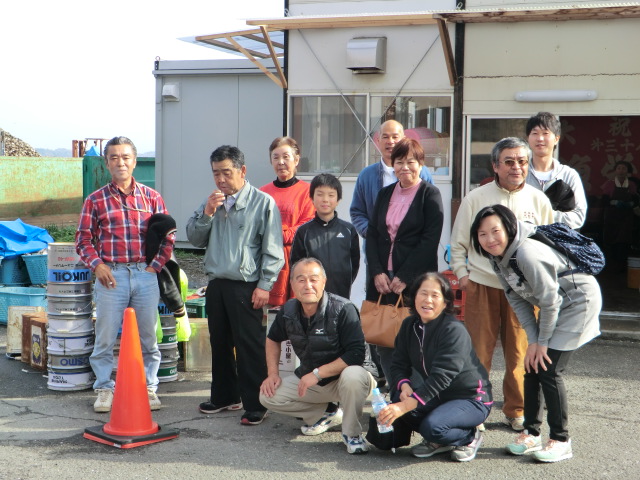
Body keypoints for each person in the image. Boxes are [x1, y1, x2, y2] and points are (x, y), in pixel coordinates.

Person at [471, 204, 601, 463]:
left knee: (549, 369)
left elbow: (551, 302)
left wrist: (542, 343)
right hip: (556, 305)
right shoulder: (498, 258)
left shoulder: (527, 253)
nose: (489, 239)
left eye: (495, 231)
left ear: (509, 228)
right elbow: (518, 300)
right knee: (531, 365)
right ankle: (531, 433)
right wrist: (533, 342)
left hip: (577, 303)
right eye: (482, 234)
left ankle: (561, 440)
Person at [449, 137, 554, 431]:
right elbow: (458, 244)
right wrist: (464, 276)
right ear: (495, 166)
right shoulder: (475, 198)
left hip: (525, 289)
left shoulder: (539, 200)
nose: (516, 167)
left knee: (520, 351)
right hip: (482, 284)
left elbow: (550, 247)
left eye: (522, 161)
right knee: (478, 351)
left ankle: (516, 408)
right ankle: (476, 406)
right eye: (509, 161)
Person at [186, 145, 284, 426]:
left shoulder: (262, 202)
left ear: (242, 171)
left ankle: (257, 402)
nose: (220, 180)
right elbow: (194, 239)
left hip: (247, 286)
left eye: (226, 173)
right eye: (216, 173)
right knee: (219, 343)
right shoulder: (212, 203)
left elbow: (273, 249)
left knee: (249, 346)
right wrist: (207, 212)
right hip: (216, 284)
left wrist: (264, 285)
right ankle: (225, 396)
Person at [76, 136, 173, 413]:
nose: (121, 162)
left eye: (126, 157)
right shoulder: (95, 200)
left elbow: (168, 236)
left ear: (134, 161)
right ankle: (105, 388)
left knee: (148, 337)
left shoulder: (152, 197)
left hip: (144, 274)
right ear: (107, 163)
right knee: (105, 336)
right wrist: (98, 265)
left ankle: (149, 387)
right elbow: (83, 240)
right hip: (112, 276)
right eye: (114, 157)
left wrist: (154, 266)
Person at [259, 258, 375, 454]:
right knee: (268, 396)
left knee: (353, 375)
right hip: (314, 381)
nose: (308, 285)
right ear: (292, 283)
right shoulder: (288, 311)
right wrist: (272, 374)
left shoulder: (343, 309)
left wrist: (318, 373)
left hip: (350, 380)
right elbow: (272, 339)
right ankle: (328, 413)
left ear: (324, 281)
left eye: (314, 279)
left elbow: (356, 354)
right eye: (301, 280)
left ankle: (352, 434)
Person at [378, 272, 492, 462]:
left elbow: (442, 377)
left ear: (446, 302)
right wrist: (404, 386)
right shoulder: (409, 325)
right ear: (413, 297)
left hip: (471, 398)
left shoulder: (453, 330)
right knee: (399, 398)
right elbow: (398, 363)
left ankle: (469, 437)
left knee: (431, 427)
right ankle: (441, 439)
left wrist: (405, 406)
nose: (428, 300)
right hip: (439, 396)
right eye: (423, 293)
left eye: (435, 295)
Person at [365, 137, 444, 384]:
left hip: (415, 281)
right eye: (399, 162)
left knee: (416, 338)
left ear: (421, 164)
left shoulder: (430, 194)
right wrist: (377, 272)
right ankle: (396, 389)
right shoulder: (384, 193)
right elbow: (373, 234)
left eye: (411, 161)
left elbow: (429, 241)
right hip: (382, 281)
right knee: (385, 340)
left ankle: (418, 396)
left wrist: (405, 276)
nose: (404, 167)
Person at [350, 119, 433, 239]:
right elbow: (357, 212)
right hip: (377, 250)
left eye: (395, 137)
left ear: (404, 139)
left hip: (412, 248)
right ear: (378, 141)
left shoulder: (421, 172)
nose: (390, 141)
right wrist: (371, 233)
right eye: (385, 137)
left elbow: (431, 212)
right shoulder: (366, 175)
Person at [260, 137, 315, 306]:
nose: (281, 162)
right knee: (270, 314)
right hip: (268, 261)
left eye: (286, 156)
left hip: (297, 258)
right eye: (276, 157)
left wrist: (274, 234)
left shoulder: (307, 191)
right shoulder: (262, 193)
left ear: (296, 160)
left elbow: (305, 227)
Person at [290, 173, 359, 299]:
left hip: (341, 294)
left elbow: (354, 264)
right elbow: (295, 265)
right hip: (311, 296)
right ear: (311, 198)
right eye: (320, 194)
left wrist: (343, 281)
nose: (325, 199)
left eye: (331, 195)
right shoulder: (303, 231)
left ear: (338, 200)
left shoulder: (348, 230)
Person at [525, 112, 587, 229]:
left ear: (556, 139)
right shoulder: (520, 173)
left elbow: (579, 217)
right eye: (535, 133)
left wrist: (542, 215)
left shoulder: (569, 175)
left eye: (545, 133)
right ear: (528, 138)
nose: (540, 138)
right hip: (527, 241)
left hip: (559, 242)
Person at [601, 160, 639, 270]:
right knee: (612, 238)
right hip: (612, 216)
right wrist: (614, 202)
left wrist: (631, 204)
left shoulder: (631, 184)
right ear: (615, 170)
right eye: (619, 168)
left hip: (626, 216)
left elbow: (635, 200)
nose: (621, 170)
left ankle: (622, 264)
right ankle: (612, 264)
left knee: (624, 239)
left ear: (628, 171)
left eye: (624, 168)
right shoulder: (609, 184)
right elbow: (604, 200)